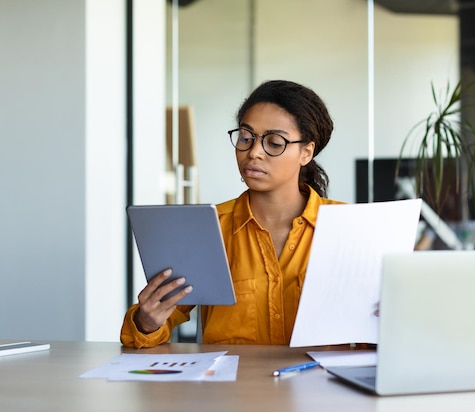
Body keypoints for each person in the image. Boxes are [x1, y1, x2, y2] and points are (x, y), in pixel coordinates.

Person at [120, 80, 344, 348]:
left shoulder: (348, 226)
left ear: (306, 152)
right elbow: (154, 328)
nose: (254, 153)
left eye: (274, 142)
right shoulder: (209, 229)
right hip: (230, 388)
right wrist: (147, 321)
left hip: (320, 388)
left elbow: (374, 339)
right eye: (246, 138)